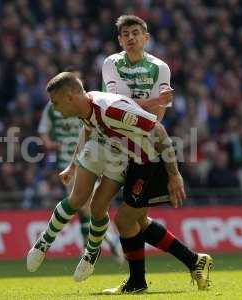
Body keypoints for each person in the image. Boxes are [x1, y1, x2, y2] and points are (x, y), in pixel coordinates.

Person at [36, 72, 213, 293]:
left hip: (151, 163)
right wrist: (73, 166)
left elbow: (158, 130)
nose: (54, 108)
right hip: (134, 163)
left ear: (71, 96)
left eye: (56, 102)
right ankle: (195, 261)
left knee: (125, 220)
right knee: (139, 222)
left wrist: (174, 174)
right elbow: (90, 130)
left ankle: (138, 283)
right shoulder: (85, 110)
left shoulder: (110, 110)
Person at [73, 15, 175, 281]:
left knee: (133, 219)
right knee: (127, 217)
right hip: (114, 146)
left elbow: (157, 119)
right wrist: (152, 102)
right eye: (125, 34)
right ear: (119, 40)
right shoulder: (111, 63)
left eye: (136, 33)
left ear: (146, 37)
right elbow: (116, 106)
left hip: (144, 150)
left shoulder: (160, 68)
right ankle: (191, 262)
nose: (130, 37)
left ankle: (187, 263)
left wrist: (141, 106)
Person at [38, 99, 122, 260]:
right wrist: (49, 143)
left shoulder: (86, 104)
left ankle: (109, 241)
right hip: (66, 161)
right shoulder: (52, 107)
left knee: (86, 205)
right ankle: (94, 247)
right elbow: (43, 129)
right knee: (85, 208)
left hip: (89, 157)